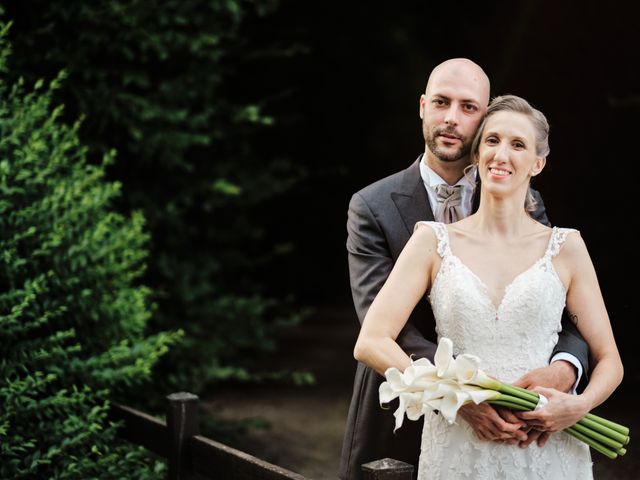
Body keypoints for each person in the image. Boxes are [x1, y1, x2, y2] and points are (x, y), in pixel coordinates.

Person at [339, 59, 590, 480]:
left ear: (485, 116)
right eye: (441, 103)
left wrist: (565, 368)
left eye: (468, 107)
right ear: (422, 106)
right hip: (404, 410)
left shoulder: (522, 198)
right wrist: (460, 391)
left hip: (520, 420)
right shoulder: (372, 207)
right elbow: (384, 328)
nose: (452, 119)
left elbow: (561, 298)